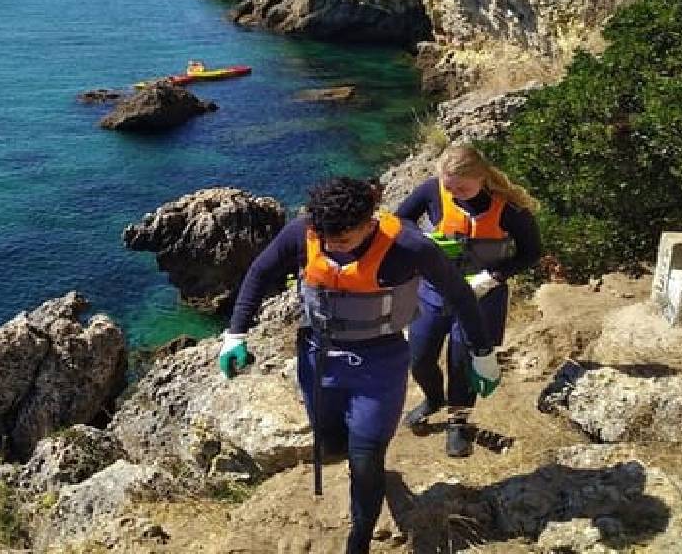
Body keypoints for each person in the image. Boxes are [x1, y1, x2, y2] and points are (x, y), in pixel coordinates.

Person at [217, 176, 500, 554]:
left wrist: (482, 352)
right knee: (329, 440)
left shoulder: (408, 246)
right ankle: (360, 465)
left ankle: (360, 537)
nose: (333, 248)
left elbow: (459, 294)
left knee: (366, 459)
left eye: (343, 241)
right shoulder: (303, 232)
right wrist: (235, 334)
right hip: (318, 357)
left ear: (369, 223)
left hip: (379, 365)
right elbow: (260, 272)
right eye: (326, 239)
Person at [394, 145, 541, 457]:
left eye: (463, 187)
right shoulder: (433, 191)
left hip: (480, 297)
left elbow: (531, 253)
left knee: (462, 364)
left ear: (482, 177)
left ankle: (458, 424)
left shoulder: (510, 209)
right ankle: (434, 398)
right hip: (433, 292)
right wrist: (422, 240)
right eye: (449, 187)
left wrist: (494, 276)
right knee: (419, 358)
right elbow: (401, 219)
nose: (456, 194)